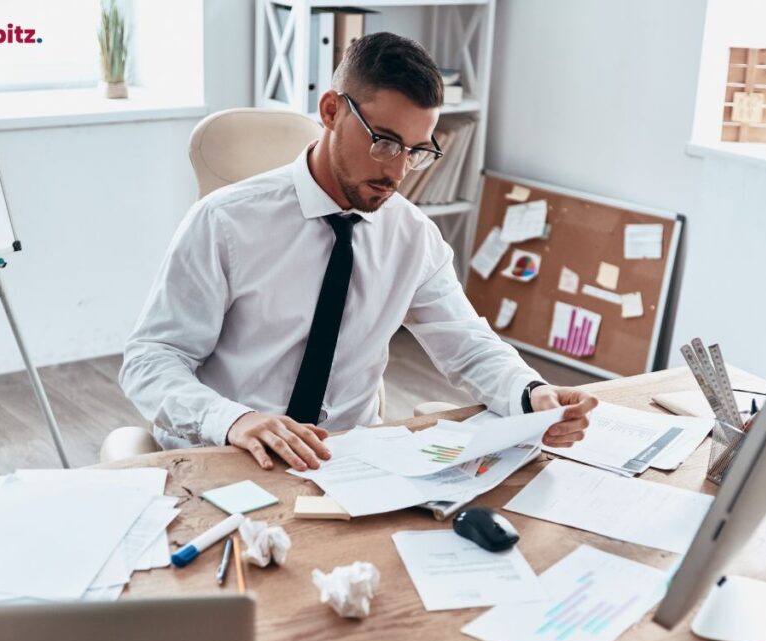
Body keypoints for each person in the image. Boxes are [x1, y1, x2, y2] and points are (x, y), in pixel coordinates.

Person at [120, 32, 598, 473]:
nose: (398, 171)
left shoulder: (413, 236)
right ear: (331, 111)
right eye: (385, 141)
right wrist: (234, 420)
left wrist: (532, 393)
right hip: (232, 454)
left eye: (415, 150)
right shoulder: (224, 220)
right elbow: (151, 359)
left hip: (347, 462)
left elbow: (468, 345)